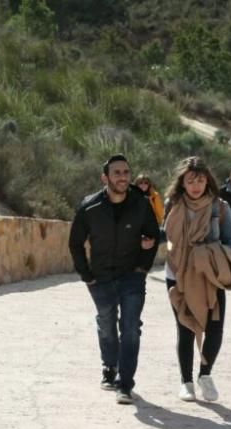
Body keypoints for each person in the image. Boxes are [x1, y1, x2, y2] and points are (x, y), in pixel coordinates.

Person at [68, 154, 159, 405]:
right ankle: (110, 367)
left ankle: (125, 384)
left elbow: (153, 235)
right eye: (117, 172)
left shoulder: (141, 203)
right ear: (105, 177)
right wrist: (86, 275)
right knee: (107, 323)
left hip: (132, 276)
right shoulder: (90, 207)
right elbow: (75, 243)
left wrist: (143, 266)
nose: (123, 177)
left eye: (126, 172)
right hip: (101, 278)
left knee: (130, 327)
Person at [162, 156, 231, 402]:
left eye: (201, 180)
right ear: (182, 182)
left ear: (208, 182)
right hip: (178, 274)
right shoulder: (171, 204)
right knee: (185, 327)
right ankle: (186, 382)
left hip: (210, 277)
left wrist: (209, 256)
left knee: (215, 328)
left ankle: (205, 375)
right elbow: (167, 236)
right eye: (191, 180)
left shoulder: (221, 207)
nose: (196, 185)